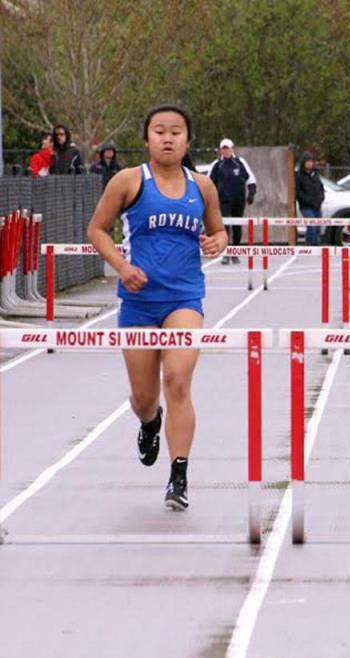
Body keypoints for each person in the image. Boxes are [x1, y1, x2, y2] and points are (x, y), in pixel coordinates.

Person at [86, 103, 228, 510]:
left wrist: (218, 243)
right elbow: (97, 229)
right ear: (147, 138)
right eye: (160, 131)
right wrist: (121, 266)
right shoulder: (128, 181)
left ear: (187, 139)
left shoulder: (202, 187)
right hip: (137, 302)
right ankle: (150, 422)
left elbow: (218, 233)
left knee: (178, 382)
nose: (168, 138)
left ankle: (178, 476)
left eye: (176, 132)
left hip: (184, 298)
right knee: (145, 397)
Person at [209, 138, 257, 264]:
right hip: (223, 201)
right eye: (223, 149)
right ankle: (225, 253)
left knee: (237, 227)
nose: (226, 151)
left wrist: (251, 193)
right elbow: (208, 183)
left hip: (238, 200)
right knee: (224, 227)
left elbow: (250, 179)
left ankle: (235, 252)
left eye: (228, 148)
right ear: (220, 150)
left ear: (232, 149)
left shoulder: (240, 162)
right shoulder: (216, 165)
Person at [295, 152, 326, 246]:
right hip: (306, 206)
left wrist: (320, 199)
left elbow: (321, 189)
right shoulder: (299, 176)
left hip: (317, 206)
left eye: (311, 161)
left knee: (317, 228)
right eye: (308, 161)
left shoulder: (316, 175)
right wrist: (308, 201)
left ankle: (311, 244)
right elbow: (299, 193)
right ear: (303, 163)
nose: (310, 163)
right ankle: (312, 245)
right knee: (311, 225)